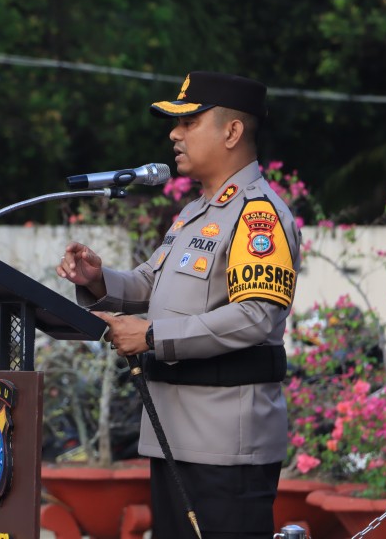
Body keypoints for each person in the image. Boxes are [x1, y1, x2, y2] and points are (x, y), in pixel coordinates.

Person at [57, 71, 300, 539]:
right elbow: (151, 280)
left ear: (231, 132)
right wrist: (97, 279)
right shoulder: (196, 212)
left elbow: (254, 317)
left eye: (189, 121)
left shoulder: (257, 215)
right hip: (173, 434)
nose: (174, 133)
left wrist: (147, 336)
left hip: (224, 444)